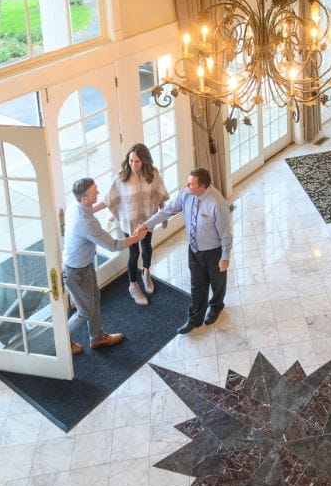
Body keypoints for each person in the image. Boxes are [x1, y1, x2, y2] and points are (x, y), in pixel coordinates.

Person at [63, 177, 148, 354]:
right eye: (94, 191)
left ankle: (97, 337)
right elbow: (113, 245)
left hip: (84, 267)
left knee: (95, 301)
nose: (98, 192)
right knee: (85, 311)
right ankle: (61, 340)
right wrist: (136, 238)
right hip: (75, 272)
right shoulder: (87, 222)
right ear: (84, 198)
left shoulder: (75, 206)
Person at [142, 168, 232, 334]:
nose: (187, 186)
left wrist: (225, 257)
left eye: (191, 184)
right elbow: (167, 210)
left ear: (203, 186)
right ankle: (195, 319)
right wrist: (146, 225)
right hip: (194, 249)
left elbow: (226, 234)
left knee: (216, 282)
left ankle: (216, 306)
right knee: (197, 284)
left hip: (214, 252)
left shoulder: (217, 204)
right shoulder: (186, 194)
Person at [98, 143, 169, 306]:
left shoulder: (153, 173)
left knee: (147, 247)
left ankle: (146, 273)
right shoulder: (122, 177)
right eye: (131, 161)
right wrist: (89, 209)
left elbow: (159, 195)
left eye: (137, 161)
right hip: (128, 223)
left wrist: (163, 217)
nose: (133, 165)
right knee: (134, 253)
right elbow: (109, 199)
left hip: (147, 219)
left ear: (144, 161)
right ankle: (133, 285)